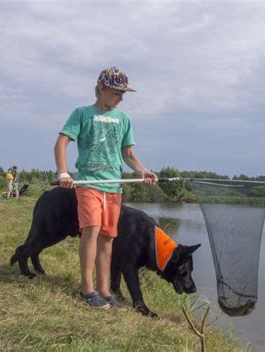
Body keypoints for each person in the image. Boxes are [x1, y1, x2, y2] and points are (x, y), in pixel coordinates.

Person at [54, 66, 157, 310]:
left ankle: (104, 290)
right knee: (91, 229)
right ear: (101, 88)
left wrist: (142, 171)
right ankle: (87, 289)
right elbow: (61, 143)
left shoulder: (124, 119)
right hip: (88, 182)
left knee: (108, 238)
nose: (121, 98)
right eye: (117, 93)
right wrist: (63, 172)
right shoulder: (81, 113)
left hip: (113, 186)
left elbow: (128, 153)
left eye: (123, 94)